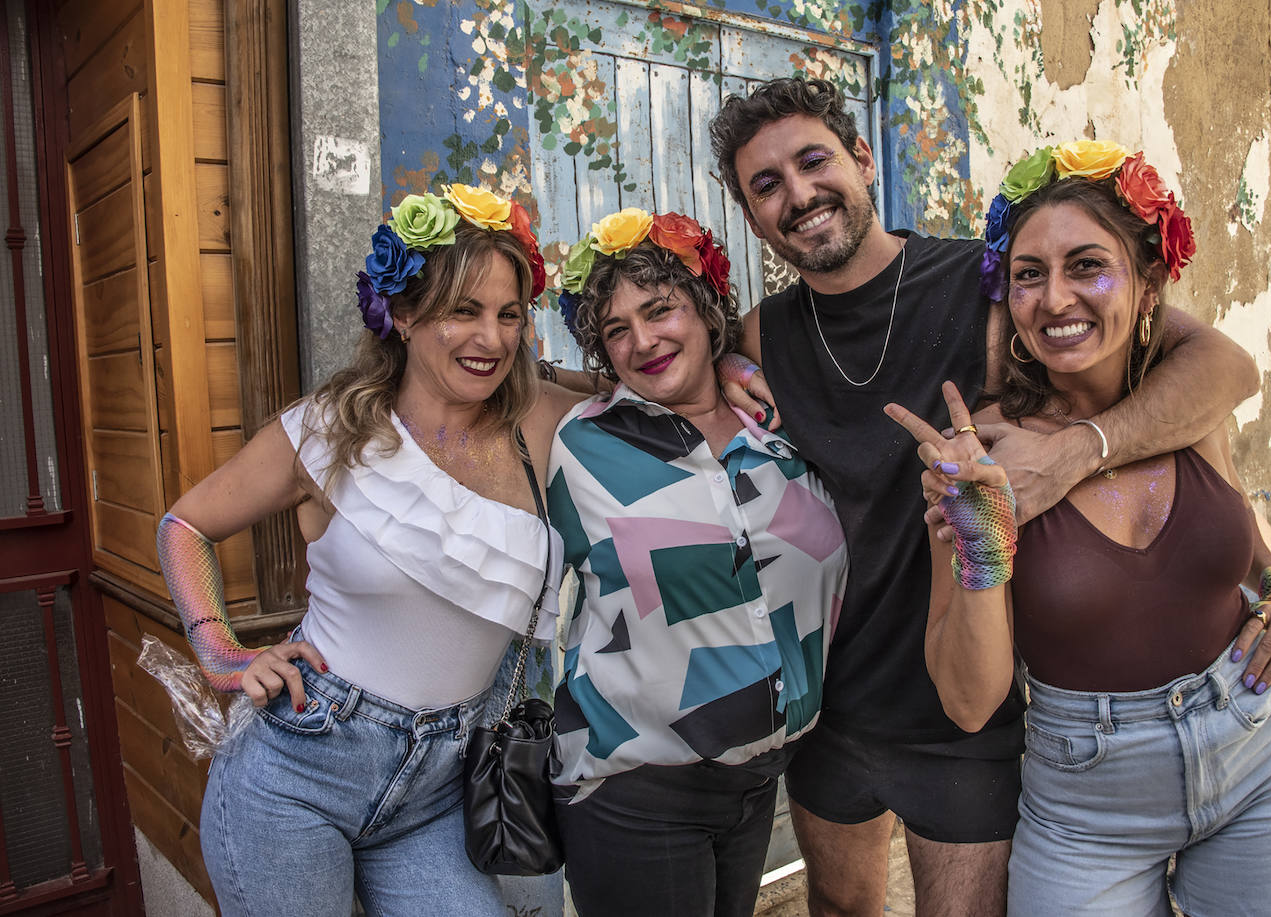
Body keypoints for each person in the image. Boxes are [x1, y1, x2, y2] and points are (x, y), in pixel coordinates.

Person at [708, 80, 1260, 916]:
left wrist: (1076, 452)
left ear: (862, 160)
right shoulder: (761, 335)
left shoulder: (992, 280)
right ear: (752, 217)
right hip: (828, 707)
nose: (798, 194)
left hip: (964, 713)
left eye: (813, 161)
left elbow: (1220, 366)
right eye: (767, 185)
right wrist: (720, 372)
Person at [888, 141, 1271, 916]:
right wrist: (981, 542)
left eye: (1087, 266)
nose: (1056, 297)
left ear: (1147, 289)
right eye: (1029, 274)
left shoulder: (1179, 401)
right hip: (1085, 803)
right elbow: (971, 703)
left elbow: (1238, 510)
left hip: (1256, 746)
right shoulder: (983, 451)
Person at [155, 185, 563, 916]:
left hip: (443, 785)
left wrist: (736, 369)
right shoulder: (328, 428)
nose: (493, 339)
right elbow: (183, 526)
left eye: (508, 314)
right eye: (463, 310)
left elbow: (653, 382)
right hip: (298, 771)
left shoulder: (540, 420)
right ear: (402, 315)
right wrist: (222, 651)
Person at [542, 208, 849, 917]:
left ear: (706, 309)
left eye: (660, 310)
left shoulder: (778, 423)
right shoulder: (577, 443)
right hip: (634, 791)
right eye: (616, 329)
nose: (642, 340)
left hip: (757, 782)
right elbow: (477, 377)